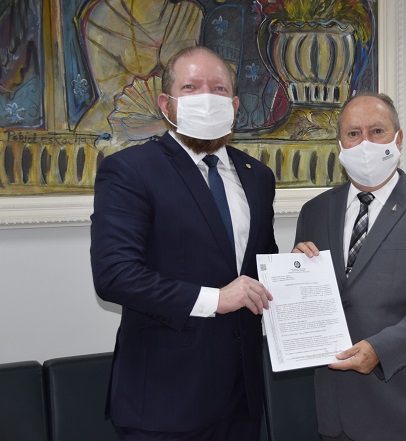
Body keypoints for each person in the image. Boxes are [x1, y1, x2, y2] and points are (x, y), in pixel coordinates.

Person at [90, 46, 278, 441]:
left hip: (241, 400)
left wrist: (295, 268)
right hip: (164, 402)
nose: (207, 97)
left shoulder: (258, 176)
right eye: (191, 87)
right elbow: (115, 276)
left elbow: (258, 269)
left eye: (219, 88)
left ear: (235, 105)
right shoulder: (130, 170)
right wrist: (215, 299)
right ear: (166, 104)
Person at [293, 93, 406, 441]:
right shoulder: (314, 211)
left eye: (377, 131)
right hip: (335, 413)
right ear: (339, 144)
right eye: (353, 134)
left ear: (398, 138)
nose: (365, 144)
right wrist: (295, 272)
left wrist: (381, 350)